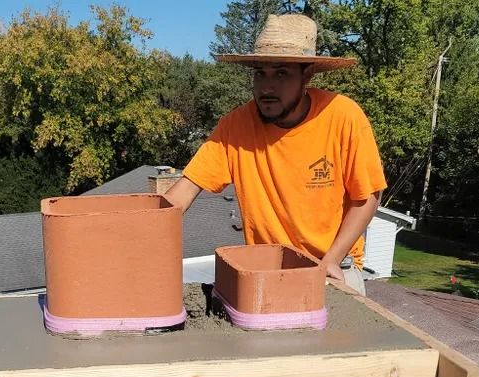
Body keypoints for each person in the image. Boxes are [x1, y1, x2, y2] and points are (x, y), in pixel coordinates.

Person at [165, 13, 386, 295]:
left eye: (281, 73)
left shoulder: (342, 116)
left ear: (307, 74)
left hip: (332, 268)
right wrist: (136, 232)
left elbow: (367, 196)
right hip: (265, 271)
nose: (267, 88)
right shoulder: (235, 126)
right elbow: (181, 194)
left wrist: (331, 260)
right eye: (260, 73)